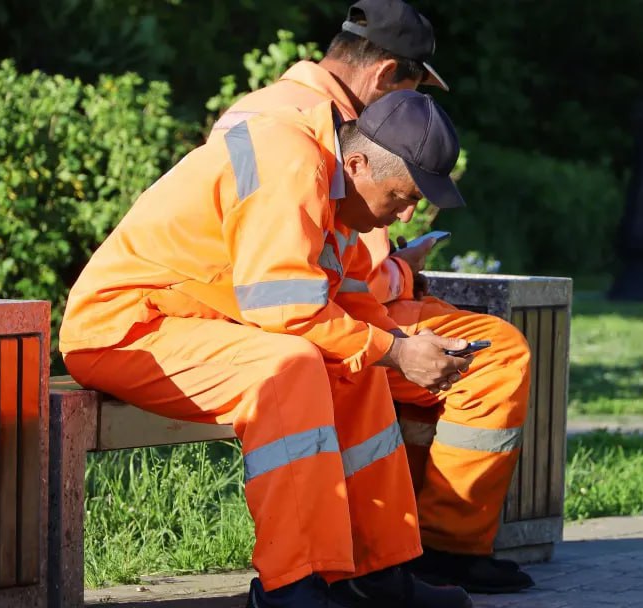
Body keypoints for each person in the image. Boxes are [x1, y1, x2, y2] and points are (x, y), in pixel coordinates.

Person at [60, 91, 474, 608]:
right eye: (402, 197)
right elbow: (286, 311)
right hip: (124, 329)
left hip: (189, 324)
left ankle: (375, 573)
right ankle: (291, 589)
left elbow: (342, 297)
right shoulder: (292, 165)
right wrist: (395, 351)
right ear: (360, 162)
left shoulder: (333, 179)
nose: (408, 216)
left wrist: (403, 344)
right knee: (289, 366)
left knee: (358, 368)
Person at [211, 0, 534, 594]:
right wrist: (397, 315)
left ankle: (404, 560)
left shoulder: (307, 119)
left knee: (470, 356)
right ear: (386, 77)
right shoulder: (302, 130)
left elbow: (329, 262)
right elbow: (310, 276)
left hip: (326, 310)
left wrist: (394, 294)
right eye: (411, 88)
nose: (409, 108)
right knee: (440, 363)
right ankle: (369, 566)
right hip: (286, 324)